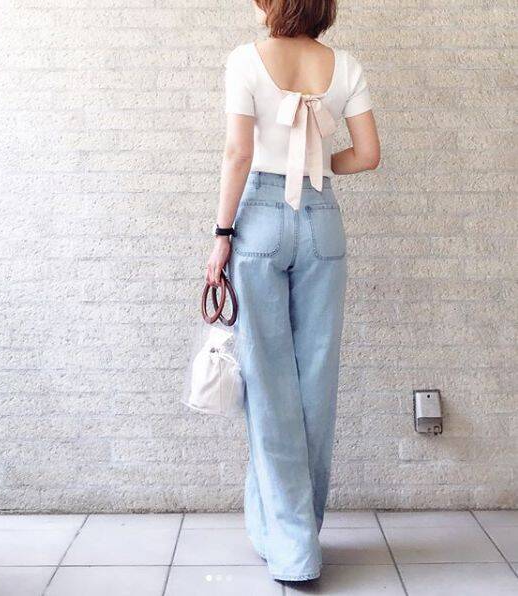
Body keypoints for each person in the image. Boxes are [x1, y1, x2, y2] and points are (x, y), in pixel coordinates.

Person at [205, 0, 381, 583]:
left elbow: (238, 153)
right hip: (322, 218)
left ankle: (292, 547)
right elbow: (368, 155)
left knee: (267, 381)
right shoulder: (345, 65)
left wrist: (221, 236)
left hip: (258, 219)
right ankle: (293, 531)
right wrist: (318, 162)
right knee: (316, 379)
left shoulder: (245, 60)